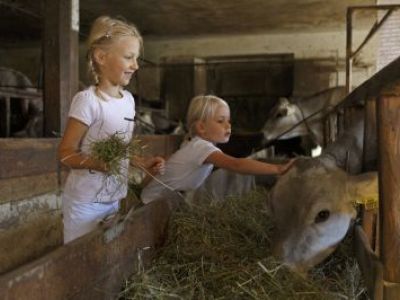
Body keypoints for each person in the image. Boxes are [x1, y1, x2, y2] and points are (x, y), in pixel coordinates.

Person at [58, 16, 164, 243]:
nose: (135, 65)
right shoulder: (88, 101)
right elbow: (65, 153)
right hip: (85, 201)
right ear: (101, 56)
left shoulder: (128, 100)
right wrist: (100, 164)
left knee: (103, 260)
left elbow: (122, 149)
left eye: (136, 58)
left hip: (114, 197)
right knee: (80, 262)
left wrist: (142, 163)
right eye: (128, 57)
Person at [141, 95, 295, 204]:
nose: (228, 126)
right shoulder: (201, 148)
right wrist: (277, 168)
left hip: (157, 200)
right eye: (220, 121)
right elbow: (236, 165)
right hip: (153, 203)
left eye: (228, 121)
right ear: (201, 127)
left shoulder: (192, 143)